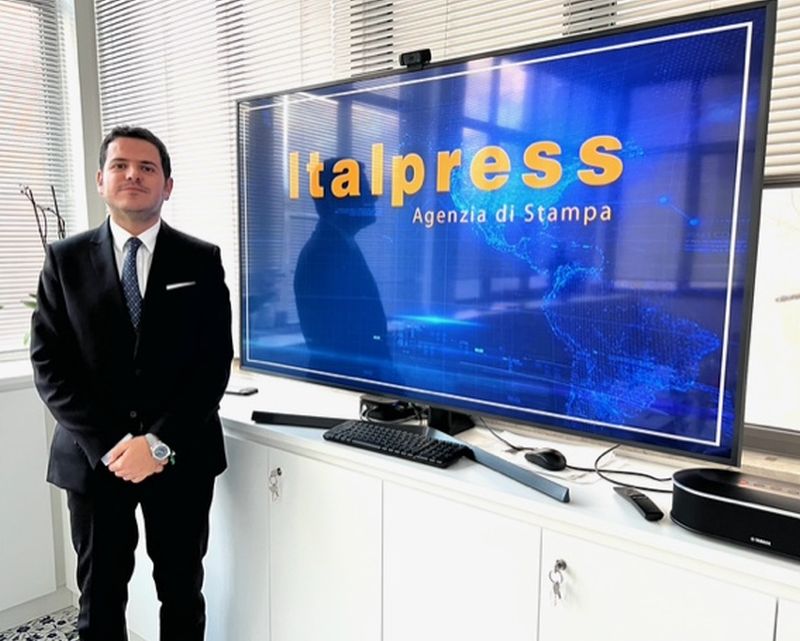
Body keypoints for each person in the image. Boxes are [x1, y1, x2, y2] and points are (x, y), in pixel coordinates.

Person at [30, 125, 233, 641]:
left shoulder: (201, 259)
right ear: (100, 180)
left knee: (181, 591)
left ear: (168, 185)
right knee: (99, 598)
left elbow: (212, 365)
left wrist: (158, 444)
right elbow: (50, 365)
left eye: (147, 167)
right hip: (95, 461)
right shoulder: (64, 261)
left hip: (180, 457)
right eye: (120, 165)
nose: (133, 175)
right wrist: (115, 446)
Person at [293, 157, 396, 382]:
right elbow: (345, 341)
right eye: (364, 191)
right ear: (336, 201)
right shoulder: (324, 254)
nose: (374, 197)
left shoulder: (338, 246)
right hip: (346, 384)